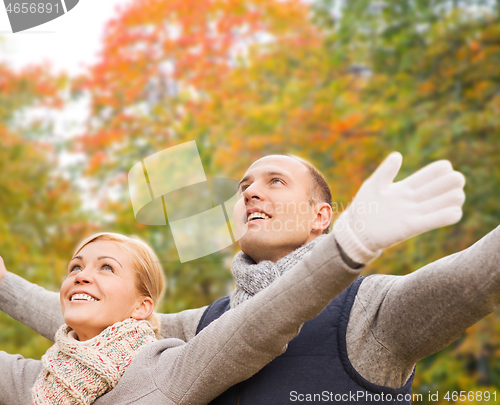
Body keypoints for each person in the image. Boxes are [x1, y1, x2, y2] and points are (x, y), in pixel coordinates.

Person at [1, 151, 499, 404]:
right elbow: (99, 315)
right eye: (243, 188)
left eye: (274, 182)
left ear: (321, 216)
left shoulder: (372, 310)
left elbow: (476, 277)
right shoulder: (202, 326)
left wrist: (356, 241)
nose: (250, 193)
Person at [0, 231, 365, 404]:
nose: (80, 275)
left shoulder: (164, 370)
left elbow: (255, 325)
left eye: (106, 268)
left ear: (142, 307)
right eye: (75, 267)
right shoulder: (35, 380)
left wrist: (348, 250)